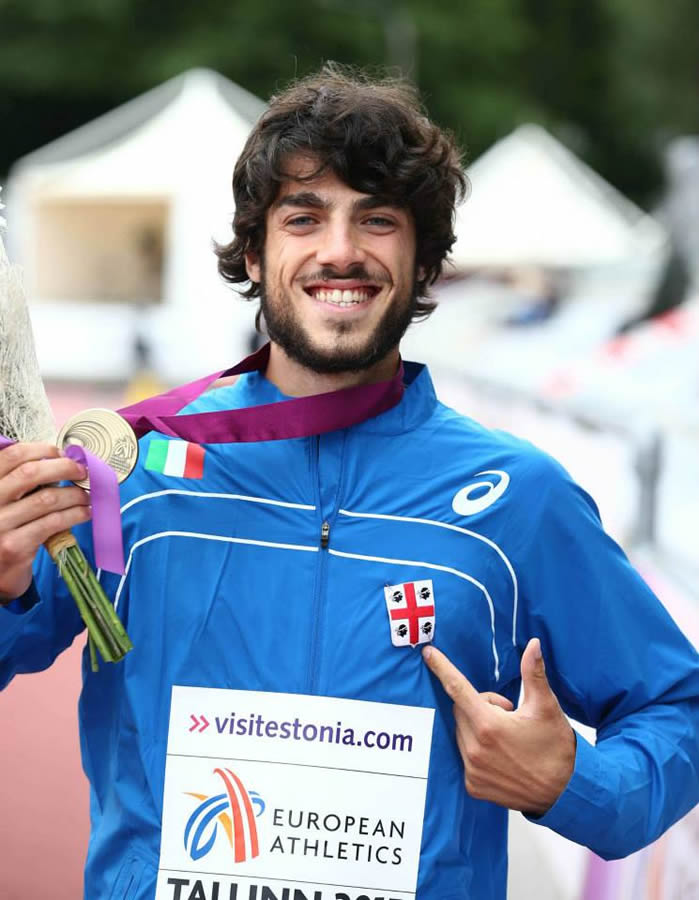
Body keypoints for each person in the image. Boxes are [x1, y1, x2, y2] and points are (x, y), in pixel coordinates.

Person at [1, 66, 698, 900]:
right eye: (304, 218)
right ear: (255, 255)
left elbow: (676, 709)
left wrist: (572, 780)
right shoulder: (134, 471)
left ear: (425, 259)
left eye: (377, 219)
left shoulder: (517, 496)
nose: (340, 250)